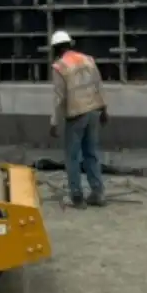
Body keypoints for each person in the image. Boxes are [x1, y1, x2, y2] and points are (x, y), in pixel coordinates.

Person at [47, 30, 108, 208]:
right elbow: (99, 86)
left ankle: (77, 197)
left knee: (73, 157)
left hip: (76, 115)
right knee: (92, 154)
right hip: (94, 111)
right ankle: (98, 193)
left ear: (55, 48)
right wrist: (104, 110)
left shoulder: (60, 67)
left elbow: (60, 98)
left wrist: (54, 122)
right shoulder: (88, 60)